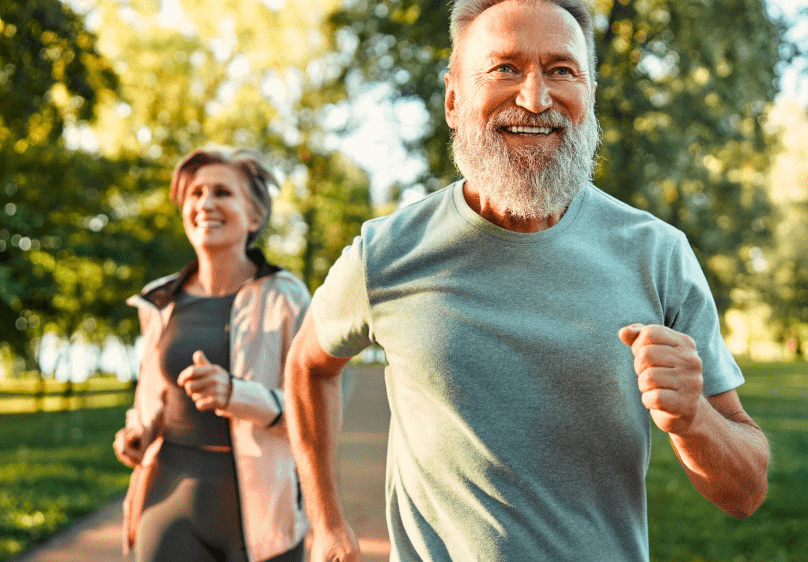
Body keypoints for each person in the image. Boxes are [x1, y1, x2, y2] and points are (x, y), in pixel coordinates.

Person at [283, 0, 769, 560]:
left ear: (588, 94)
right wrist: (324, 522)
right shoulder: (387, 253)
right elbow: (306, 367)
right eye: (504, 68)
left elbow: (744, 493)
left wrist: (695, 421)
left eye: (562, 70)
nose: (535, 98)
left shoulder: (658, 254)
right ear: (452, 99)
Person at [113, 146, 310, 561]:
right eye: (195, 194)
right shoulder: (160, 301)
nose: (205, 203)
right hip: (168, 502)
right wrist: (138, 433)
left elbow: (315, 415)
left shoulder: (286, 298)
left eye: (222, 192)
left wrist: (235, 394)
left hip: (264, 517)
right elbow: (152, 402)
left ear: (254, 215)